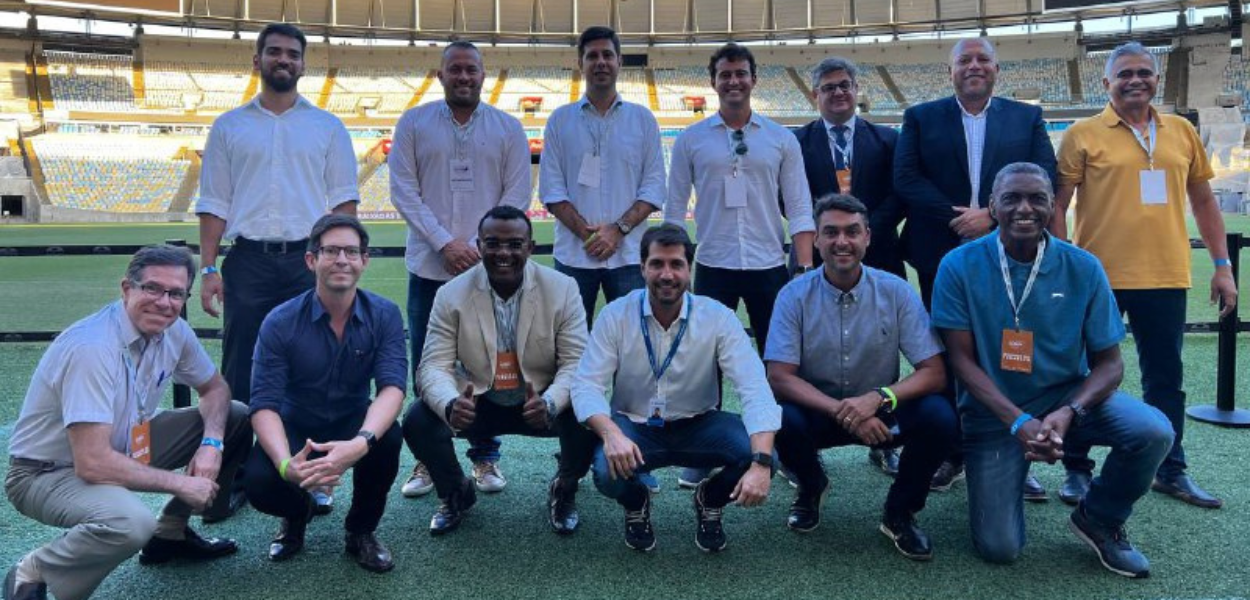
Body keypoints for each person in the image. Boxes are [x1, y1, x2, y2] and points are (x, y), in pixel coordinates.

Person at [931, 162, 1173, 578]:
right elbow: (961, 361)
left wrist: (1069, 412)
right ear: (992, 206)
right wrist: (1020, 421)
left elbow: (1110, 364)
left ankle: (1099, 516)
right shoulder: (958, 265)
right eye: (1011, 198)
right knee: (999, 548)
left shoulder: (1083, 266)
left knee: (1154, 431)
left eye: (1037, 198)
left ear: (1053, 205)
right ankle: (1001, 474)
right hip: (995, 411)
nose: (1025, 208)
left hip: (1067, 397)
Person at [1051, 42, 1238, 509]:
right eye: (1125, 74)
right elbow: (1058, 205)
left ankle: (1171, 469)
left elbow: (1204, 201)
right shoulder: (1081, 134)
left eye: (1144, 73)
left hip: (1165, 274)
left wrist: (1222, 265)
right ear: (1106, 83)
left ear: (1157, 79)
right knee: (1084, 374)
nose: (1136, 80)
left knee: (1166, 378)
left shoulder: (1180, 131)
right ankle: (1076, 469)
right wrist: (1063, 264)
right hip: (1098, 277)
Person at [5, 245, 250, 600]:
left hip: (126, 445)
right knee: (132, 524)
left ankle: (171, 534)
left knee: (236, 416)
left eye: (175, 294)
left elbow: (215, 389)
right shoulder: (93, 348)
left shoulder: (174, 330)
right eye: (152, 288)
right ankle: (36, 570)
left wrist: (212, 442)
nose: (164, 302)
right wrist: (181, 485)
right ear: (126, 289)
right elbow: (92, 462)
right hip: (48, 472)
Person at [197, 22, 359, 517]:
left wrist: (340, 261)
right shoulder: (229, 125)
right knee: (240, 366)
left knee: (317, 366)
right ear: (258, 60)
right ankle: (245, 472)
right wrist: (208, 267)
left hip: (308, 260)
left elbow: (343, 202)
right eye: (274, 52)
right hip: (247, 260)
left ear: (303, 64)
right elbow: (214, 202)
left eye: (292, 53)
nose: (283, 59)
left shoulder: (327, 127)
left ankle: (318, 472)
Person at [893, 37, 1057, 496]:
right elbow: (906, 179)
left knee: (1007, 351)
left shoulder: (1026, 117)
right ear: (951, 72)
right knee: (945, 352)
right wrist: (956, 217)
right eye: (964, 60)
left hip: (1010, 251)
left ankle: (1015, 448)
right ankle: (951, 452)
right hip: (938, 253)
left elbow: (1046, 174)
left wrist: (991, 214)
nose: (974, 66)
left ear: (996, 69)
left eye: (983, 59)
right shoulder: (921, 117)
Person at [767, 194, 956, 561]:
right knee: (779, 416)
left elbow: (934, 373)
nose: (842, 242)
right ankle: (811, 486)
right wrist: (844, 410)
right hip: (818, 410)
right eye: (831, 232)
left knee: (939, 415)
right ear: (816, 240)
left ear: (868, 237)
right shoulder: (793, 296)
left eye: (852, 232)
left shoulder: (897, 291)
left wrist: (879, 398)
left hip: (880, 412)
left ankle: (900, 512)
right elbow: (779, 377)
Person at [572, 224, 782, 553]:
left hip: (700, 424)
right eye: (657, 264)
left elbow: (754, 388)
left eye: (676, 264)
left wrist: (761, 462)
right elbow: (586, 385)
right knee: (605, 471)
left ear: (689, 269)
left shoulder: (719, 318)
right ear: (642, 267)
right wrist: (612, 434)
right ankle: (636, 501)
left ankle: (709, 499)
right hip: (634, 425)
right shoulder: (616, 315)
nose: (666, 274)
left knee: (764, 455)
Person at [664, 43, 814, 490]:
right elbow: (674, 211)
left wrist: (803, 268)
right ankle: (701, 451)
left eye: (741, 73)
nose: (733, 81)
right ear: (714, 82)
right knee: (702, 362)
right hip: (713, 262)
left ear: (753, 79)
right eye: (725, 74)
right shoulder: (691, 138)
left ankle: (781, 447)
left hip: (770, 263)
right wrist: (677, 266)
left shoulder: (780, 138)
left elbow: (801, 207)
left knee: (778, 362)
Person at [389, 40, 531, 499]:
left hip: (490, 271)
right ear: (441, 75)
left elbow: (517, 194)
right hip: (430, 268)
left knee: (486, 360)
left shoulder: (507, 128)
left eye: (472, 70)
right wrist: (444, 243)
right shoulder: (414, 122)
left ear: (483, 76)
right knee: (428, 363)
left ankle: (484, 456)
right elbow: (403, 190)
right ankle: (429, 460)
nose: (464, 77)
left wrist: (474, 249)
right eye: (456, 70)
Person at [402, 206, 596, 535]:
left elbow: (576, 363)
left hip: (540, 401)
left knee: (589, 410)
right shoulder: (451, 294)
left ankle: (564, 488)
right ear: (479, 246)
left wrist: (550, 402)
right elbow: (433, 365)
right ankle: (455, 493)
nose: (503, 253)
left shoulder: (562, 289)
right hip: (480, 399)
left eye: (514, 244)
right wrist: (451, 403)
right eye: (493, 243)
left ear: (530, 247)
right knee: (417, 418)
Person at [243, 215, 405, 573]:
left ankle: (360, 531)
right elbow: (264, 404)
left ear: (365, 260)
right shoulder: (280, 321)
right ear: (311, 260)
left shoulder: (385, 314)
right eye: (331, 251)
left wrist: (361, 442)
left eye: (351, 251)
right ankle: (298, 513)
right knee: (258, 480)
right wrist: (287, 465)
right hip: (297, 419)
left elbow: (392, 388)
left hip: (352, 417)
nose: (342, 260)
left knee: (388, 436)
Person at [794, 56, 906, 477]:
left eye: (844, 85)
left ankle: (885, 435)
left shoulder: (888, 139)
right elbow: (791, 197)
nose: (838, 93)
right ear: (814, 95)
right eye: (828, 87)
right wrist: (826, 239)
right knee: (813, 342)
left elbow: (900, 192)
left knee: (882, 345)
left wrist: (862, 232)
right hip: (817, 253)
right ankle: (812, 436)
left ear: (857, 90)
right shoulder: (798, 142)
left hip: (881, 252)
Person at [540, 25, 667, 326]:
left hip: (628, 257)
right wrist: (589, 235)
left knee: (632, 346)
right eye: (592, 56)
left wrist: (616, 230)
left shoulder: (643, 119)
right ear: (580, 64)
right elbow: (552, 190)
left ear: (619, 61)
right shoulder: (560, 120)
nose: (600, 62)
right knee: (569, 348)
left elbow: (653, 186)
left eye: (607, 55)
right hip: (573, 257)